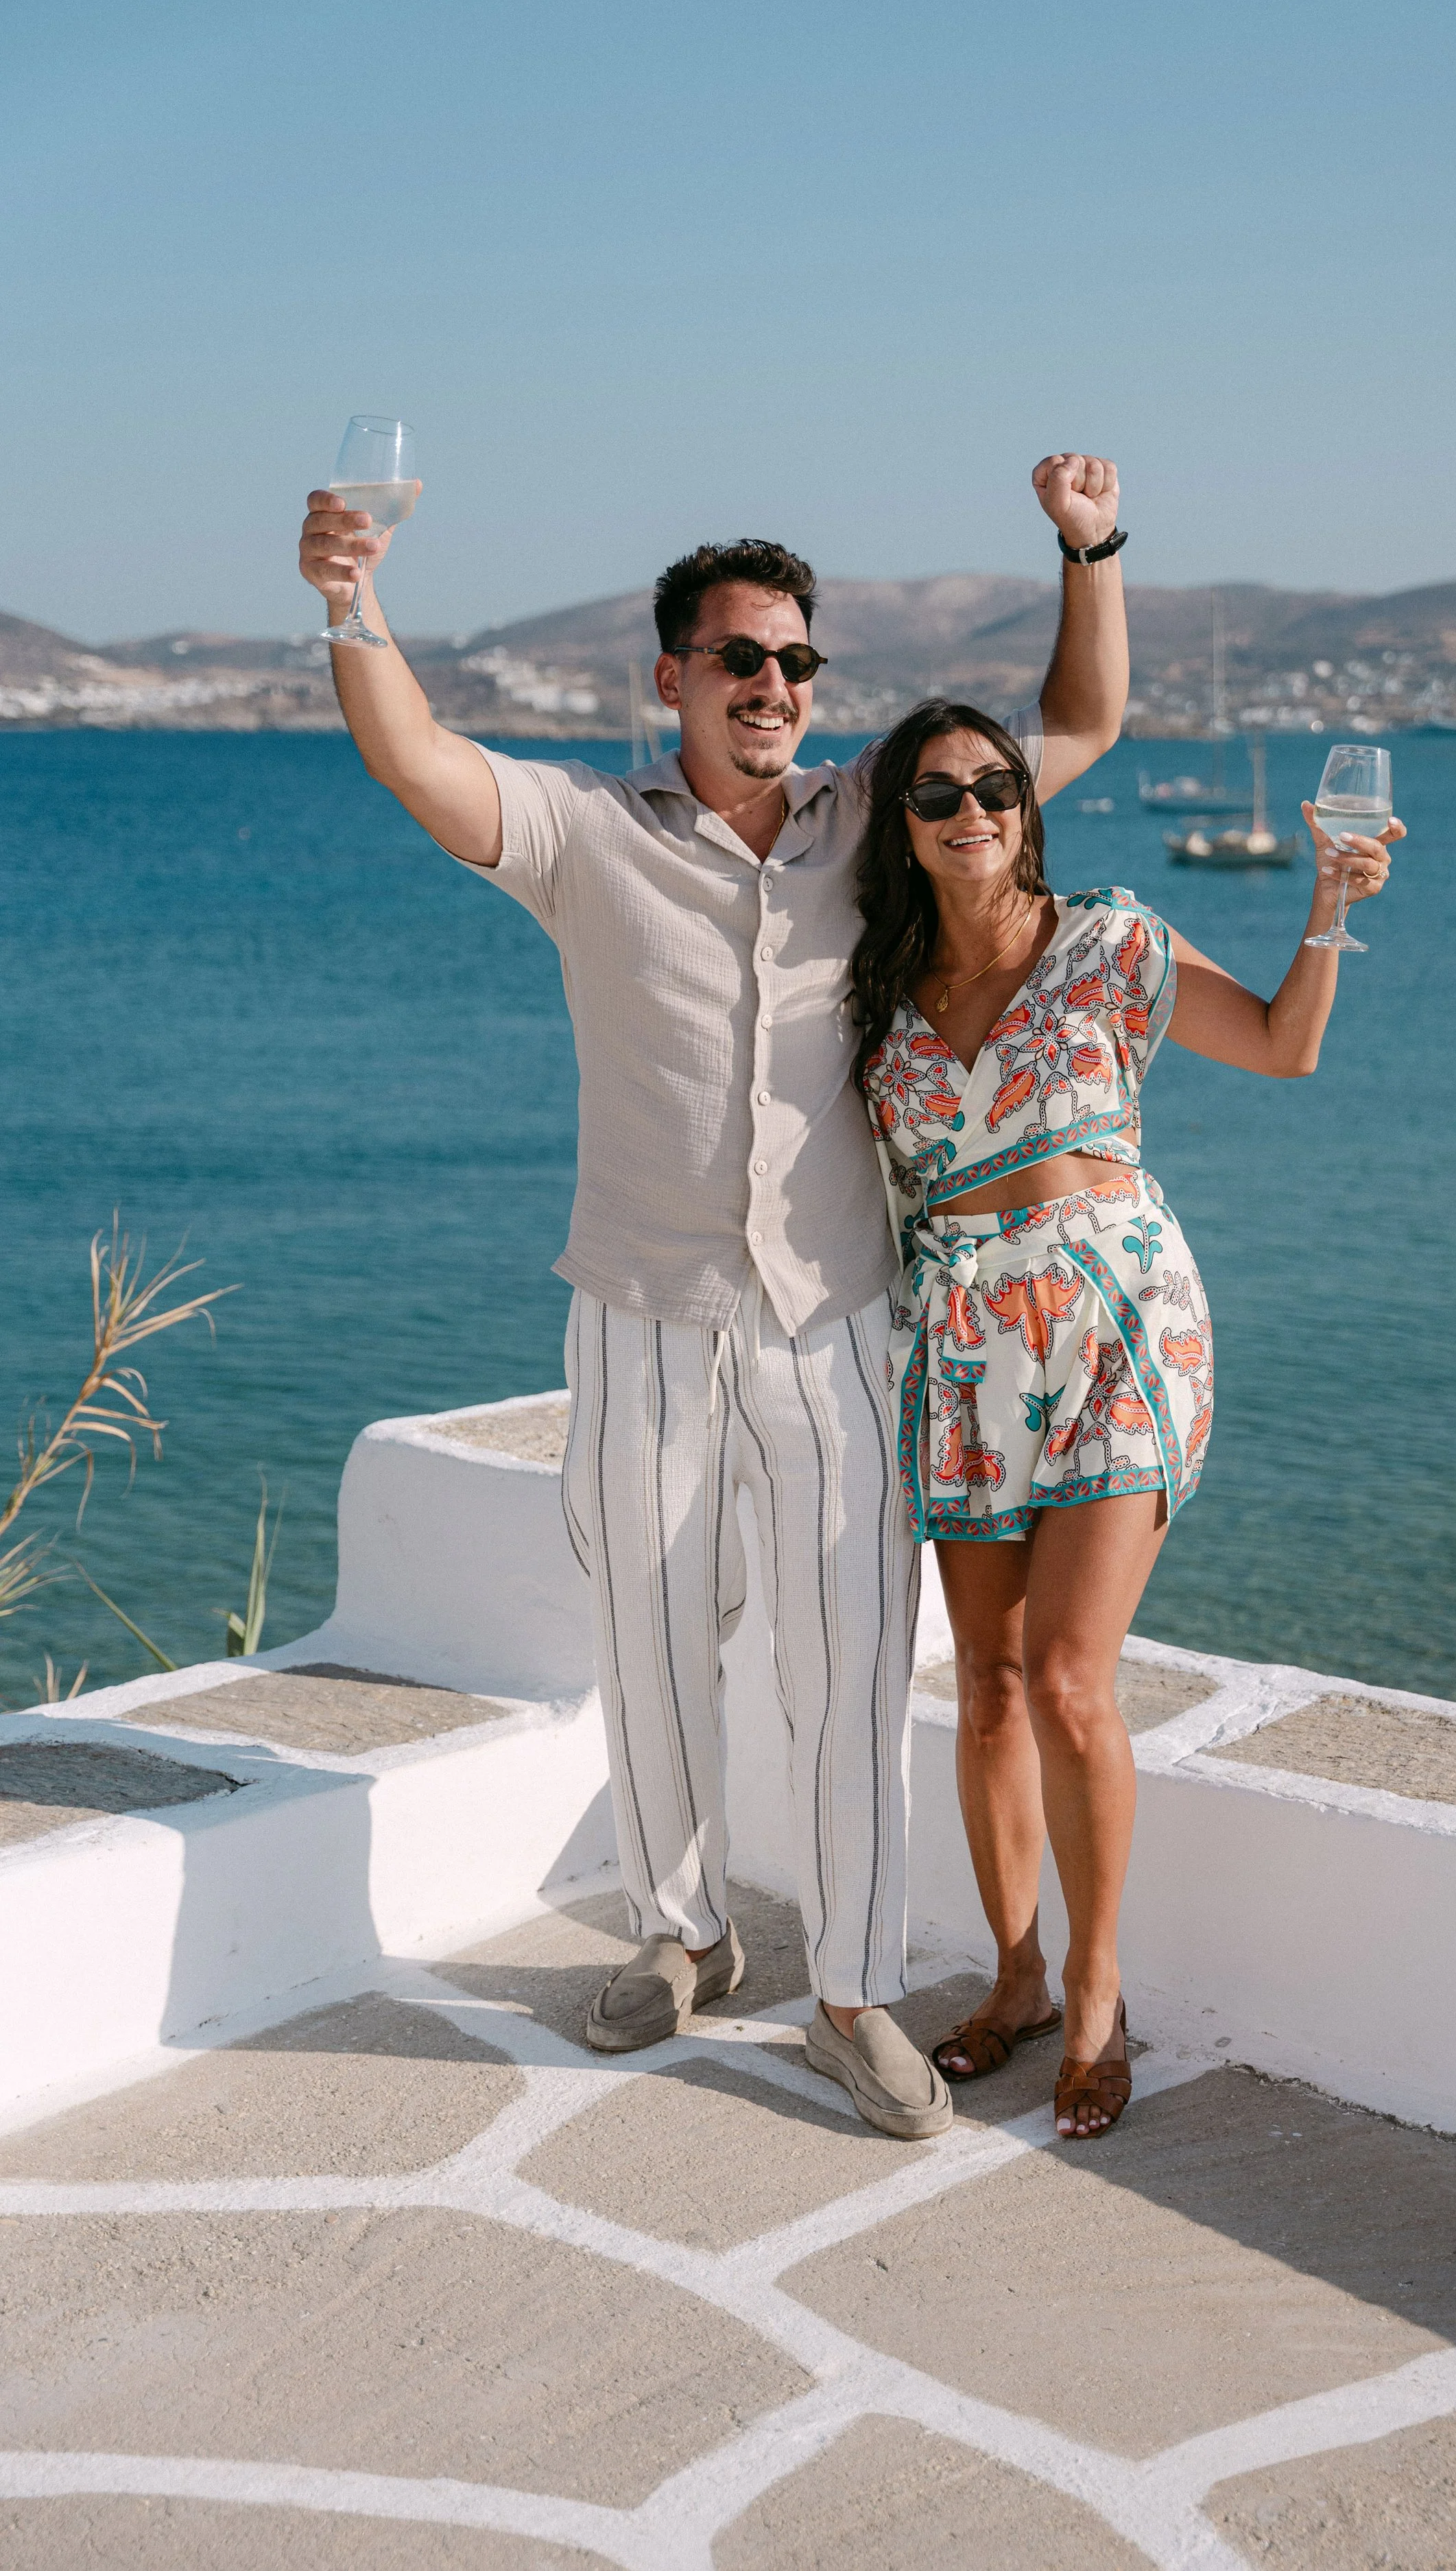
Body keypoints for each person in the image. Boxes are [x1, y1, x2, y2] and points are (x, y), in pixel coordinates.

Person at [296, 455, 1130, 2140]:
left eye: (796, 662)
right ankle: (682, 1934)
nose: (772, 687)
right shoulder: (584, 833)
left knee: (850, 1657)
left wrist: (1087, 546)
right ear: (669, 674)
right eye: (739, 659)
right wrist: (352, 607)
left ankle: (849, 1991)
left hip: (834, 1315)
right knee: (654, 1644)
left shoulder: (874, 817)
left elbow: (1080, 721)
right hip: (642, 1305)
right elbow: (417, 758)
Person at [850, 701, 1402, 2139]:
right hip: (962, 1348)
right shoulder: (874, 996)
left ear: (1026, 806)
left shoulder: (1109, 942)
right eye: (934, 792)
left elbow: (1284, 1047)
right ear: (897, 828)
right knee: (977, 1682)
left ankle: (1095, 1991)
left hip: (1114, 1324)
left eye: (994, 784)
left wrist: (1327, 908)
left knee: (1066, 1677)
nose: (970, 808)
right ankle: (1014, 1975)